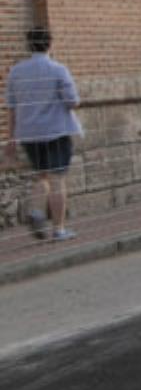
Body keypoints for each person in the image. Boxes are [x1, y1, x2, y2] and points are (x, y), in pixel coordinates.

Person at [4, 27, 82, 241]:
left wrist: (11, 138)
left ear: (29, 45)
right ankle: (59, 229)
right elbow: (72, 101)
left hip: (28, 133)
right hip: (56, 131)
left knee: (41, 175)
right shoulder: (58, 70)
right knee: (58, 179)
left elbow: (11, 106)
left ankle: (36, 211)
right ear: (50, 44)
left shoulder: (15, 72)